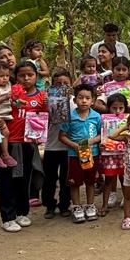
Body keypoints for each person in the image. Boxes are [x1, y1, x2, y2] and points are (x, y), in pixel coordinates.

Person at [0, 60, 47, 232]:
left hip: (28, 143)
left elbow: (45, 118)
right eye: (22, 75)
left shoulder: (41, 96)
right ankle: (7, 217)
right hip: (8, 143)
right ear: (15, 77)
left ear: (36, 76)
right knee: (7, 180)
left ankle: (21, 212)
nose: (26, 78)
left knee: (25, 179)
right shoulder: (8, 94)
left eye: (30, 75)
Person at [59, 83, 102, 222]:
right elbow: (62, 136)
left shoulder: (96, 117)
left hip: (92, 154)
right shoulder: (69, 117)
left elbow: (102, 134)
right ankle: (77, 207)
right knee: (74, 182)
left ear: (93, 100)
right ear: (74, 100)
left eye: (87, 98)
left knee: (91, 181)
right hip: (74, 155)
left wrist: (93, 141)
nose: (84, 101)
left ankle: (90, 205)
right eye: (80, 97)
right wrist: (75, 147)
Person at [41, 70, 74, 220]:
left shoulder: (75, 102)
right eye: (58, 83)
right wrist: (46, 107)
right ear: (52, 85)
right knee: (49, 179)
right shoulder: (47, 101)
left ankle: (65, 205)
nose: (62, 86)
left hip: (69, 147)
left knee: (66, 179)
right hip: (51, 146)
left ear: (71, 85)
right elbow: (39, 122)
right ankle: (49, 205)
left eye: (65, 83)